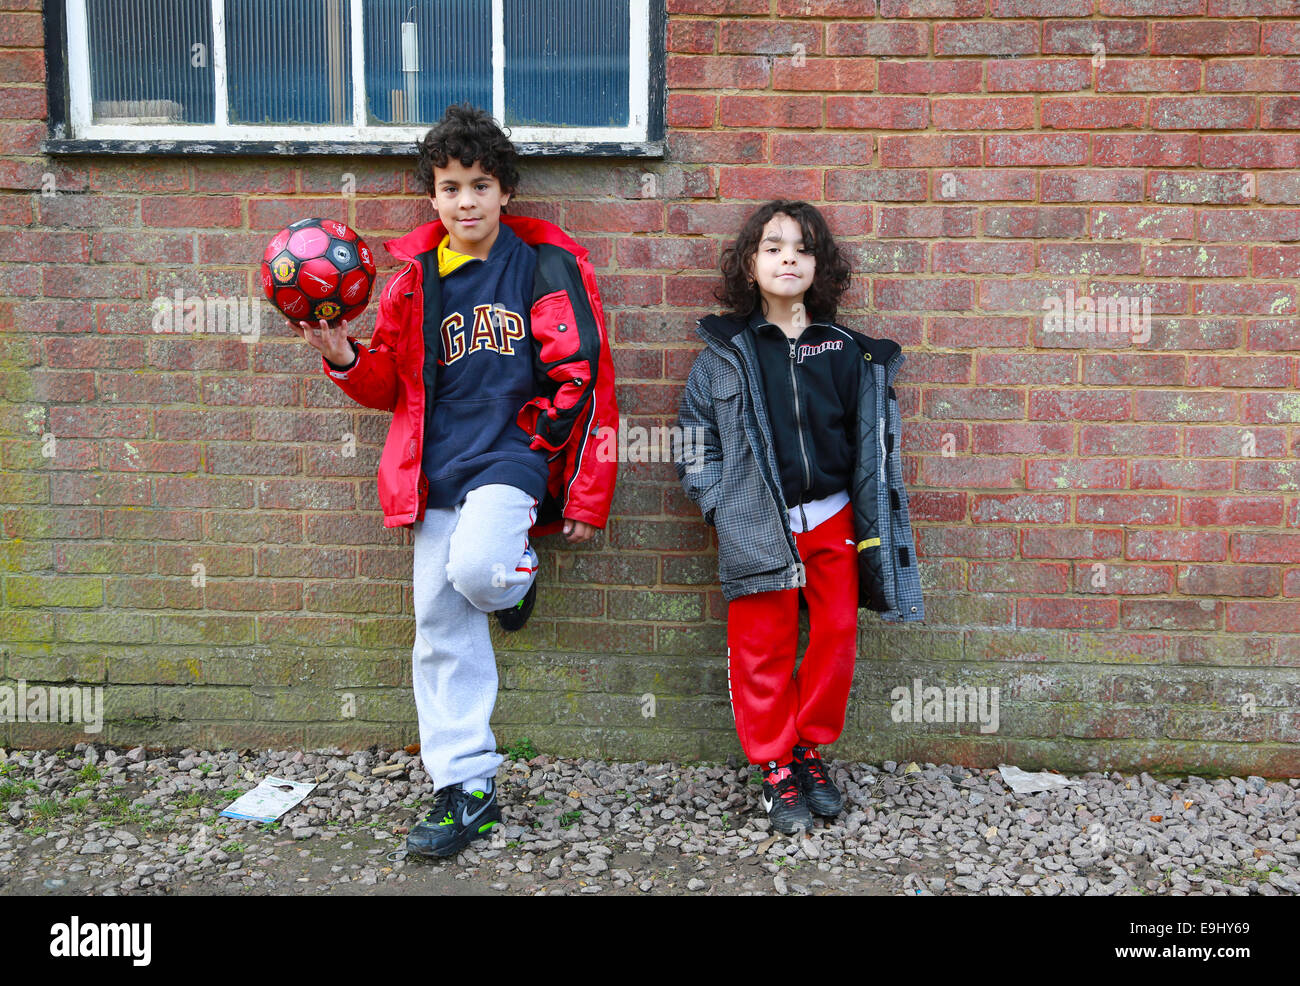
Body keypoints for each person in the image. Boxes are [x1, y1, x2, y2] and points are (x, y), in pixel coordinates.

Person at [289, 102, 618, 857]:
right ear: (431, 198)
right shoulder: (414, 282)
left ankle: (512, 571)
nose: (464, 200)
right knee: (438, 628)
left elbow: (585, 376)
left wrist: (571, 479)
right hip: (434, 468)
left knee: (480, 570)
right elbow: (385, 387)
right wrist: (342, 351)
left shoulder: (542, 265)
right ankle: (464, 786)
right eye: (448, 187)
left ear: (505, 189)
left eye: (478, 184)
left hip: (511, 458)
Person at [674, 200, 923, 835]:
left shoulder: (847, 352)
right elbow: (692, 440)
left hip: (834, 521)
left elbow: (870, 441)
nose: (789, 257)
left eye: (803, 248)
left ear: (821, 266)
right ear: (748, 265)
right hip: (758, 521)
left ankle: (808, 748)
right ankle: (773, 764)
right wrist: (718, 504)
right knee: (762, 647)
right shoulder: (726, 355)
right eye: (773, 246)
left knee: (836, 637)